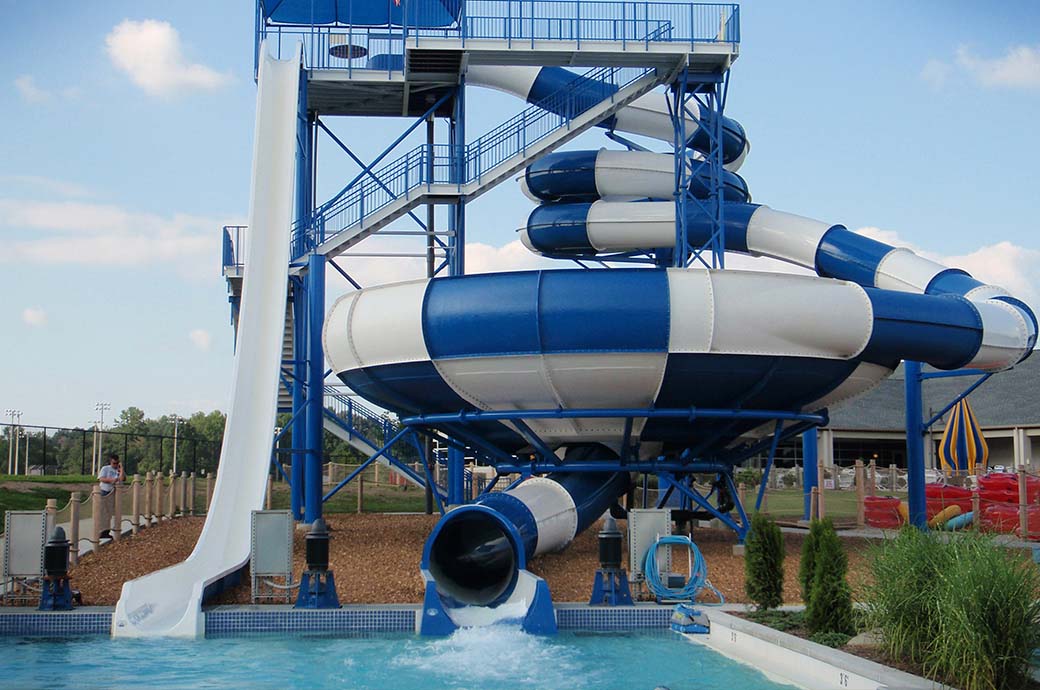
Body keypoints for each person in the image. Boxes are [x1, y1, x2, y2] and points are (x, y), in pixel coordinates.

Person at [97, 453, 124, 539]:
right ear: (110, 462)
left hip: (114, 493)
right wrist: (112, 480)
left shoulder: (119, 470)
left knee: (109, 513)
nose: (115, 465)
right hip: (105, 492)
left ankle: (106, 531)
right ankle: (102, 531)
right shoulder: (105, 468)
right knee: (104, 513)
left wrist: (121, 469)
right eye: (114, 463)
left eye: (117, 463)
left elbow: (122, 479)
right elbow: (101, 478)